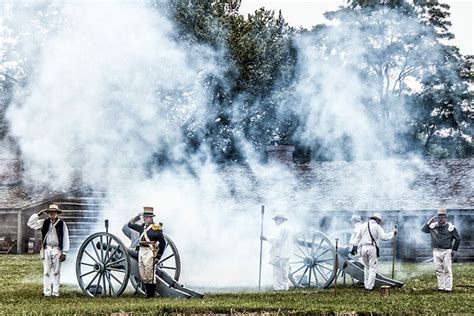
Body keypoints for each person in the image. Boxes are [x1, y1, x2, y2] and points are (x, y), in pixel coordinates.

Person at [27, 204, 70, 297]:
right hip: (47, 249)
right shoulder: (44, 222)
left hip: (57, 249)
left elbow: (66, 238)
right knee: (46, 272)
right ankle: (46, 292)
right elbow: (30, 224)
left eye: (54, 212)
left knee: (56, 271)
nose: (52, 214)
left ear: (57, 213)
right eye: (50, 212)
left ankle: (55, 292)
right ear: (48, 213)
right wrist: (38, 214)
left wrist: (65, 252)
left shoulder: (62, 224)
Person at [128, 206, 166, 298]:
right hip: (141, 250)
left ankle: (151, 295)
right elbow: (130, 225)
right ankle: (147, 294)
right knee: (143, 274)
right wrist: (137, 217)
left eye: (146, 217)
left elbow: (163, 243)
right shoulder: (142, 228)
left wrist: (158, 257)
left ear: (151, 218)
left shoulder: (156, 229)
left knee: (150, 275)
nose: (144, 218)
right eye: (144, 217)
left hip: (150, 251)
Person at [353, 212, 397, 290]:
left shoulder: (363, 226)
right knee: (372, 268)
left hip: (363, 248)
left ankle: (366, 284)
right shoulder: (377, 226)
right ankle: (369, 287)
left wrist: (354, 246)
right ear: (377, 220)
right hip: (371, 248)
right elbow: (384, 237)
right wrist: (393, 233)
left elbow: (357, 238)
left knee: (366, 267)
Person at [421, 208, 461, 292]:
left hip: (447, 251)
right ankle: (441, 287)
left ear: (445, 217)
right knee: (438, 269)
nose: (440, 219)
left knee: (447, 270)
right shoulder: (433, 226)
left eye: (442, 217)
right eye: (439, 217)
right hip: (436, 250)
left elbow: (458, 239)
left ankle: (448, 288)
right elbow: (423, 230)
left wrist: (454, 250)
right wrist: (429, 222)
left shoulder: (451, 227)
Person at [261, 214, 293, 291]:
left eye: (276, 220)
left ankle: (278, 288)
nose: (275, 222)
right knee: (284, 271)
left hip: (280, 252)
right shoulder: (289, 227)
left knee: (277, 272)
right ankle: (285, 287)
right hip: (287, 252)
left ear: (280, 220)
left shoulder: (281, 228)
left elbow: (277, 240)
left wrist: (266, 238)